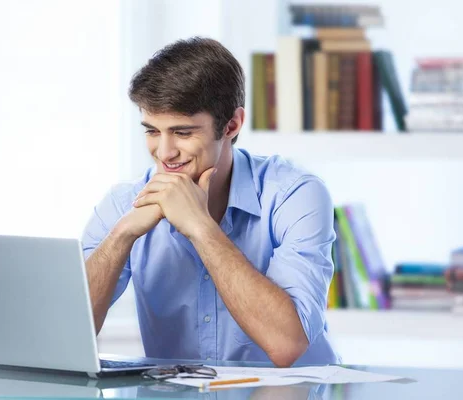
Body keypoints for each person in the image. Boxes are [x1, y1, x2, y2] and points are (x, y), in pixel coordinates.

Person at [82, 37, 340, 367]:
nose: (164, 152)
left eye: (183, 132)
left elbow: (286, 344)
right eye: (152, 131)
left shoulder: (295, 193)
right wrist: (121, 237)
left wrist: (201, 228)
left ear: (232, 125)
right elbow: (64, 339)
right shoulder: (124, 204)